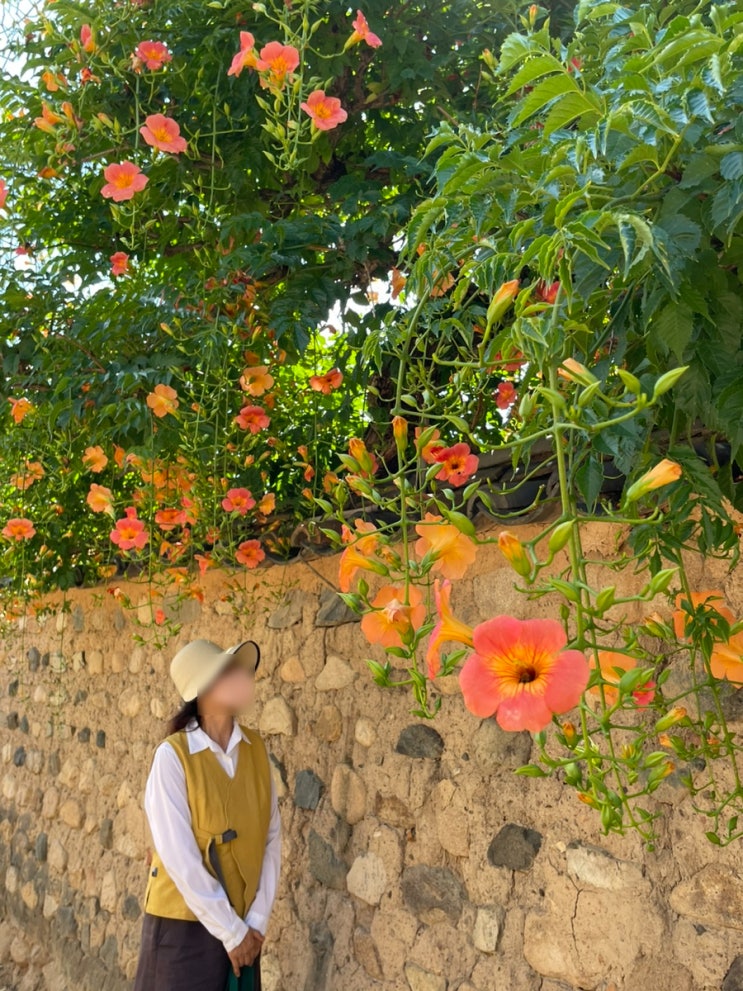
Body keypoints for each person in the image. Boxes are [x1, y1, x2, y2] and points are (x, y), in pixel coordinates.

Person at [133, 638, 281, 991]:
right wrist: (231, 932)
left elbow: (272, 837)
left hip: (244, 927)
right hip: (183, 931)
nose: (240, 678)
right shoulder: (172, 758)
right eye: (225, 672)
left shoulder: (256, 750)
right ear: (201, 689)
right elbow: (179, 857)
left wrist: (256, 921)